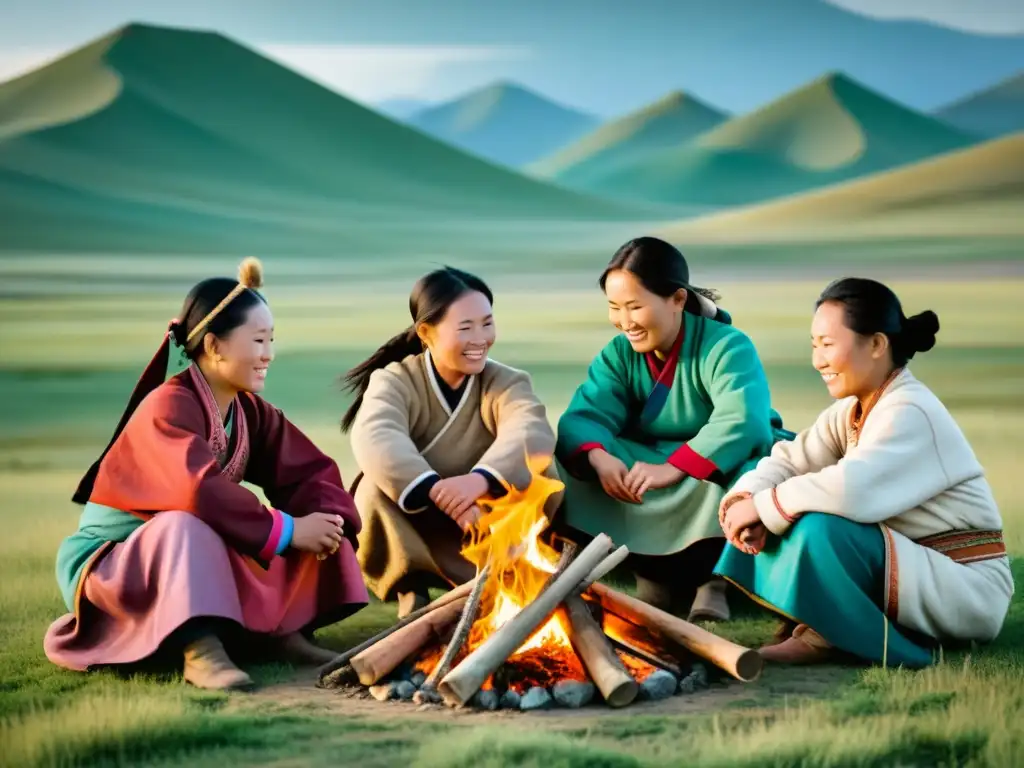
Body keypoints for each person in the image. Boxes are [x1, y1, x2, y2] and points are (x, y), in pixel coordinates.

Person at [44, 258, 368, 691]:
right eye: (258, 340)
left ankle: (278, 635)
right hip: (116, 565)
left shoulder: (249, 411)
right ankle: (200, 650)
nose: (269, 352)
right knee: (188, 524)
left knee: (297, 518)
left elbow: (309, 470)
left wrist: (326, 519)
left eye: (271, 339)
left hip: (184, 557)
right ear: (215, 346)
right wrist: (289, 531)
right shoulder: (168, 405)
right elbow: (197, 491)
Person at [715, 277, 1013, 666]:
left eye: (828, 344)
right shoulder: (855, 408)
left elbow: (852, 490)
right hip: (914, 567)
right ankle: (822, 619)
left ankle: (827, 635)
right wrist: (745, 498)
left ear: (875, 344)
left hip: (965, 585)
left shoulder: (910, 409)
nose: (817, 360)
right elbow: (789, 459)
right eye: (813, 345)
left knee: (820, 526)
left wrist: (764, 506)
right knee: (785, 501)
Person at [554, 237, 789, 622]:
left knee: (752, 472)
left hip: (714, 460)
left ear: (677, 299)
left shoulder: (727, 346)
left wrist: (674, 468)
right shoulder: (618, 353)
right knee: (565, 463)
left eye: (635, 306)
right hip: (649, 458)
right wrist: (599, 459)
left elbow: (743, 421)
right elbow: (586, 415)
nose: (624, 321)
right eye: (615, 308)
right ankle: (651, 571)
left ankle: (715, 582)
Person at [343, 266, 561, 618]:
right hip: (423, 515)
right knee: (370, 488)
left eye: (487, 323)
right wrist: (440, 494)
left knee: (544, 466)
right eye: (465, 327)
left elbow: (529, 427)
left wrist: (478, 481)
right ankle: (410, 588)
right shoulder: (395, 381)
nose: (481, 338)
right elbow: (377, 436)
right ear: (426, 332)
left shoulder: (506, 381)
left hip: (487, 513)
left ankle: (511, 571)